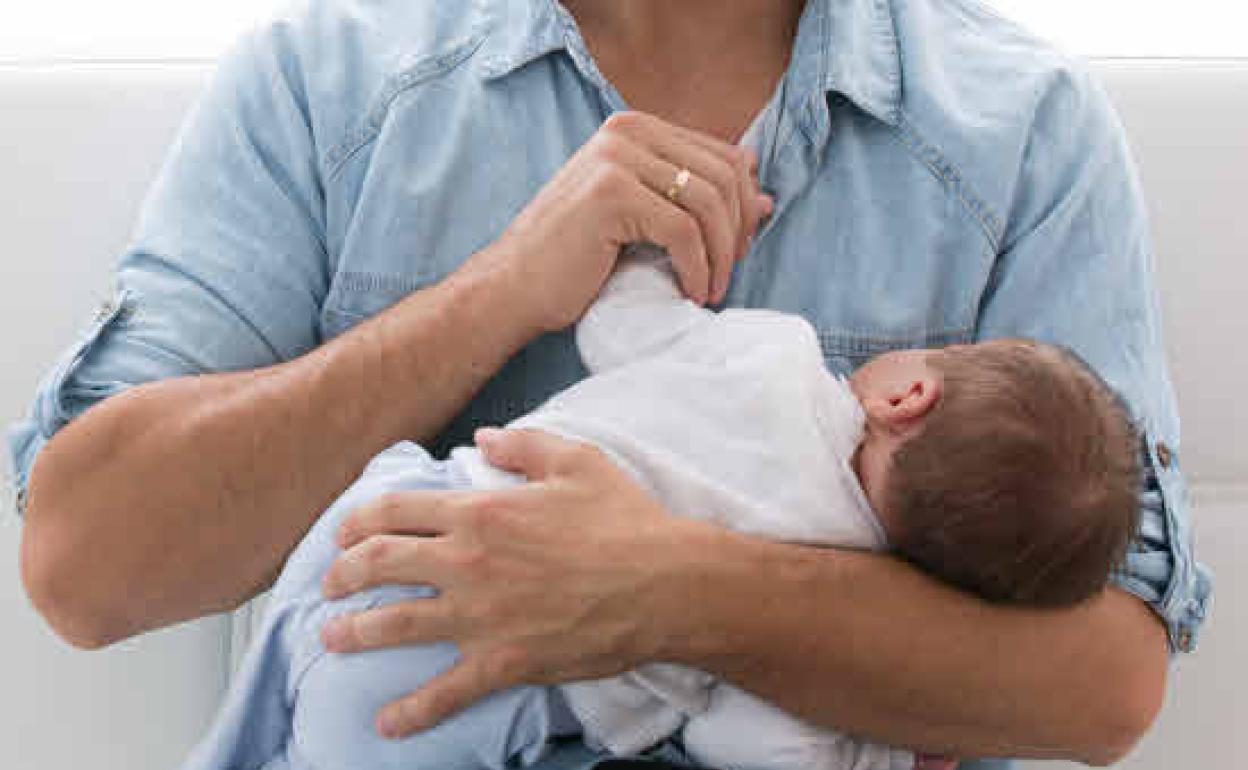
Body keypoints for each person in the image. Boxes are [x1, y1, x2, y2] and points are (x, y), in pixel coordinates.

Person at [11, 2, 1211, 769]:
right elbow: (86, 564)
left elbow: (1104, 683)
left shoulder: (1025, 133)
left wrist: (665, 588)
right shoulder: (323, 87)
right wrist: (497, 292)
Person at [179, 247, 1142, 770]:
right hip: (463, 688)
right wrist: (880, 749)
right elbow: (748, 744)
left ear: (906, 397)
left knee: (251, 713)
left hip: (405, 513)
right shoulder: (830, 605)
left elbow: (624, 325)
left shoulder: (776, 355)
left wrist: (642, 251)